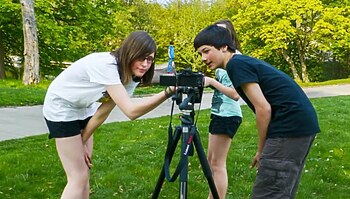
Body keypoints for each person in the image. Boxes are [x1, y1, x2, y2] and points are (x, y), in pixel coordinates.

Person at [43, 31, 175, 199]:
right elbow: (131, 111)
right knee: (77, 177)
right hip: (60, 107)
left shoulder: (129, 76)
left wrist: (82, 141)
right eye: (141, 58)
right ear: (129, 53)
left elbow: (102, 112)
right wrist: (167, 92)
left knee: (84, 172)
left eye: (149, 59)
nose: (145, 64)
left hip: (84, 108)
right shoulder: (107, 65)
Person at [194, 25, 320, 198]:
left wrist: (261, 150)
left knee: (268, 192)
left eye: (206, 51)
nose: (203, 58)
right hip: (301, 125)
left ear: (224, 47)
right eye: (200, 53)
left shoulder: (235, 65)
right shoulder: (240, 62)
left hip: (289, 126)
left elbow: (263, 108)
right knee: (281, 192)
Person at [202, 19, 243, 199]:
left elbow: (235, 93)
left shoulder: (235, 58)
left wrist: (211, 82)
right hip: (219, 113)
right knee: (212, 162)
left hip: (228, 114)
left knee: (218, 165)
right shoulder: (222, 57)